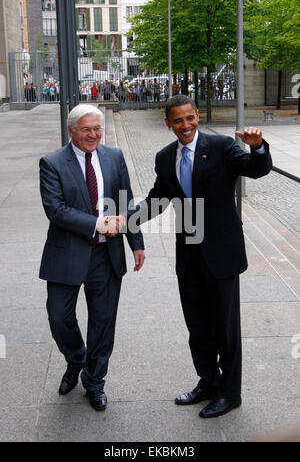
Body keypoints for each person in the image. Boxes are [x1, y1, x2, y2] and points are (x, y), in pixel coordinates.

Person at [128, 95, 272, 418]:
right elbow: (157, 199)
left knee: (226, 328)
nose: (185, 125)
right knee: (198, 326)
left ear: (196, 116)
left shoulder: (221, 147)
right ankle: (208, 382)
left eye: (190, 118)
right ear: (168, 124)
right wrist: (125, 219)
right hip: (189, 255)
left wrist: (257, 148)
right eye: (177, 120)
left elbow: (256, 169)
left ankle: (230, 394)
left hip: (221, 253)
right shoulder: (165, 158)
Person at [39, 104, 145, 411]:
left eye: (97, 128)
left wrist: (135, 242)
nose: (93, 135)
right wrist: (96, 223)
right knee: (59, 318)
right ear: (71, 130)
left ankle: (95, 381)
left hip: (105, 255)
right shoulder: (52, 163)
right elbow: (55, 209)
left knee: (103, 322)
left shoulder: (114, 157)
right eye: (86, 129)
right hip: (66, 254)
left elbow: (125, 202)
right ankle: (76, 360)